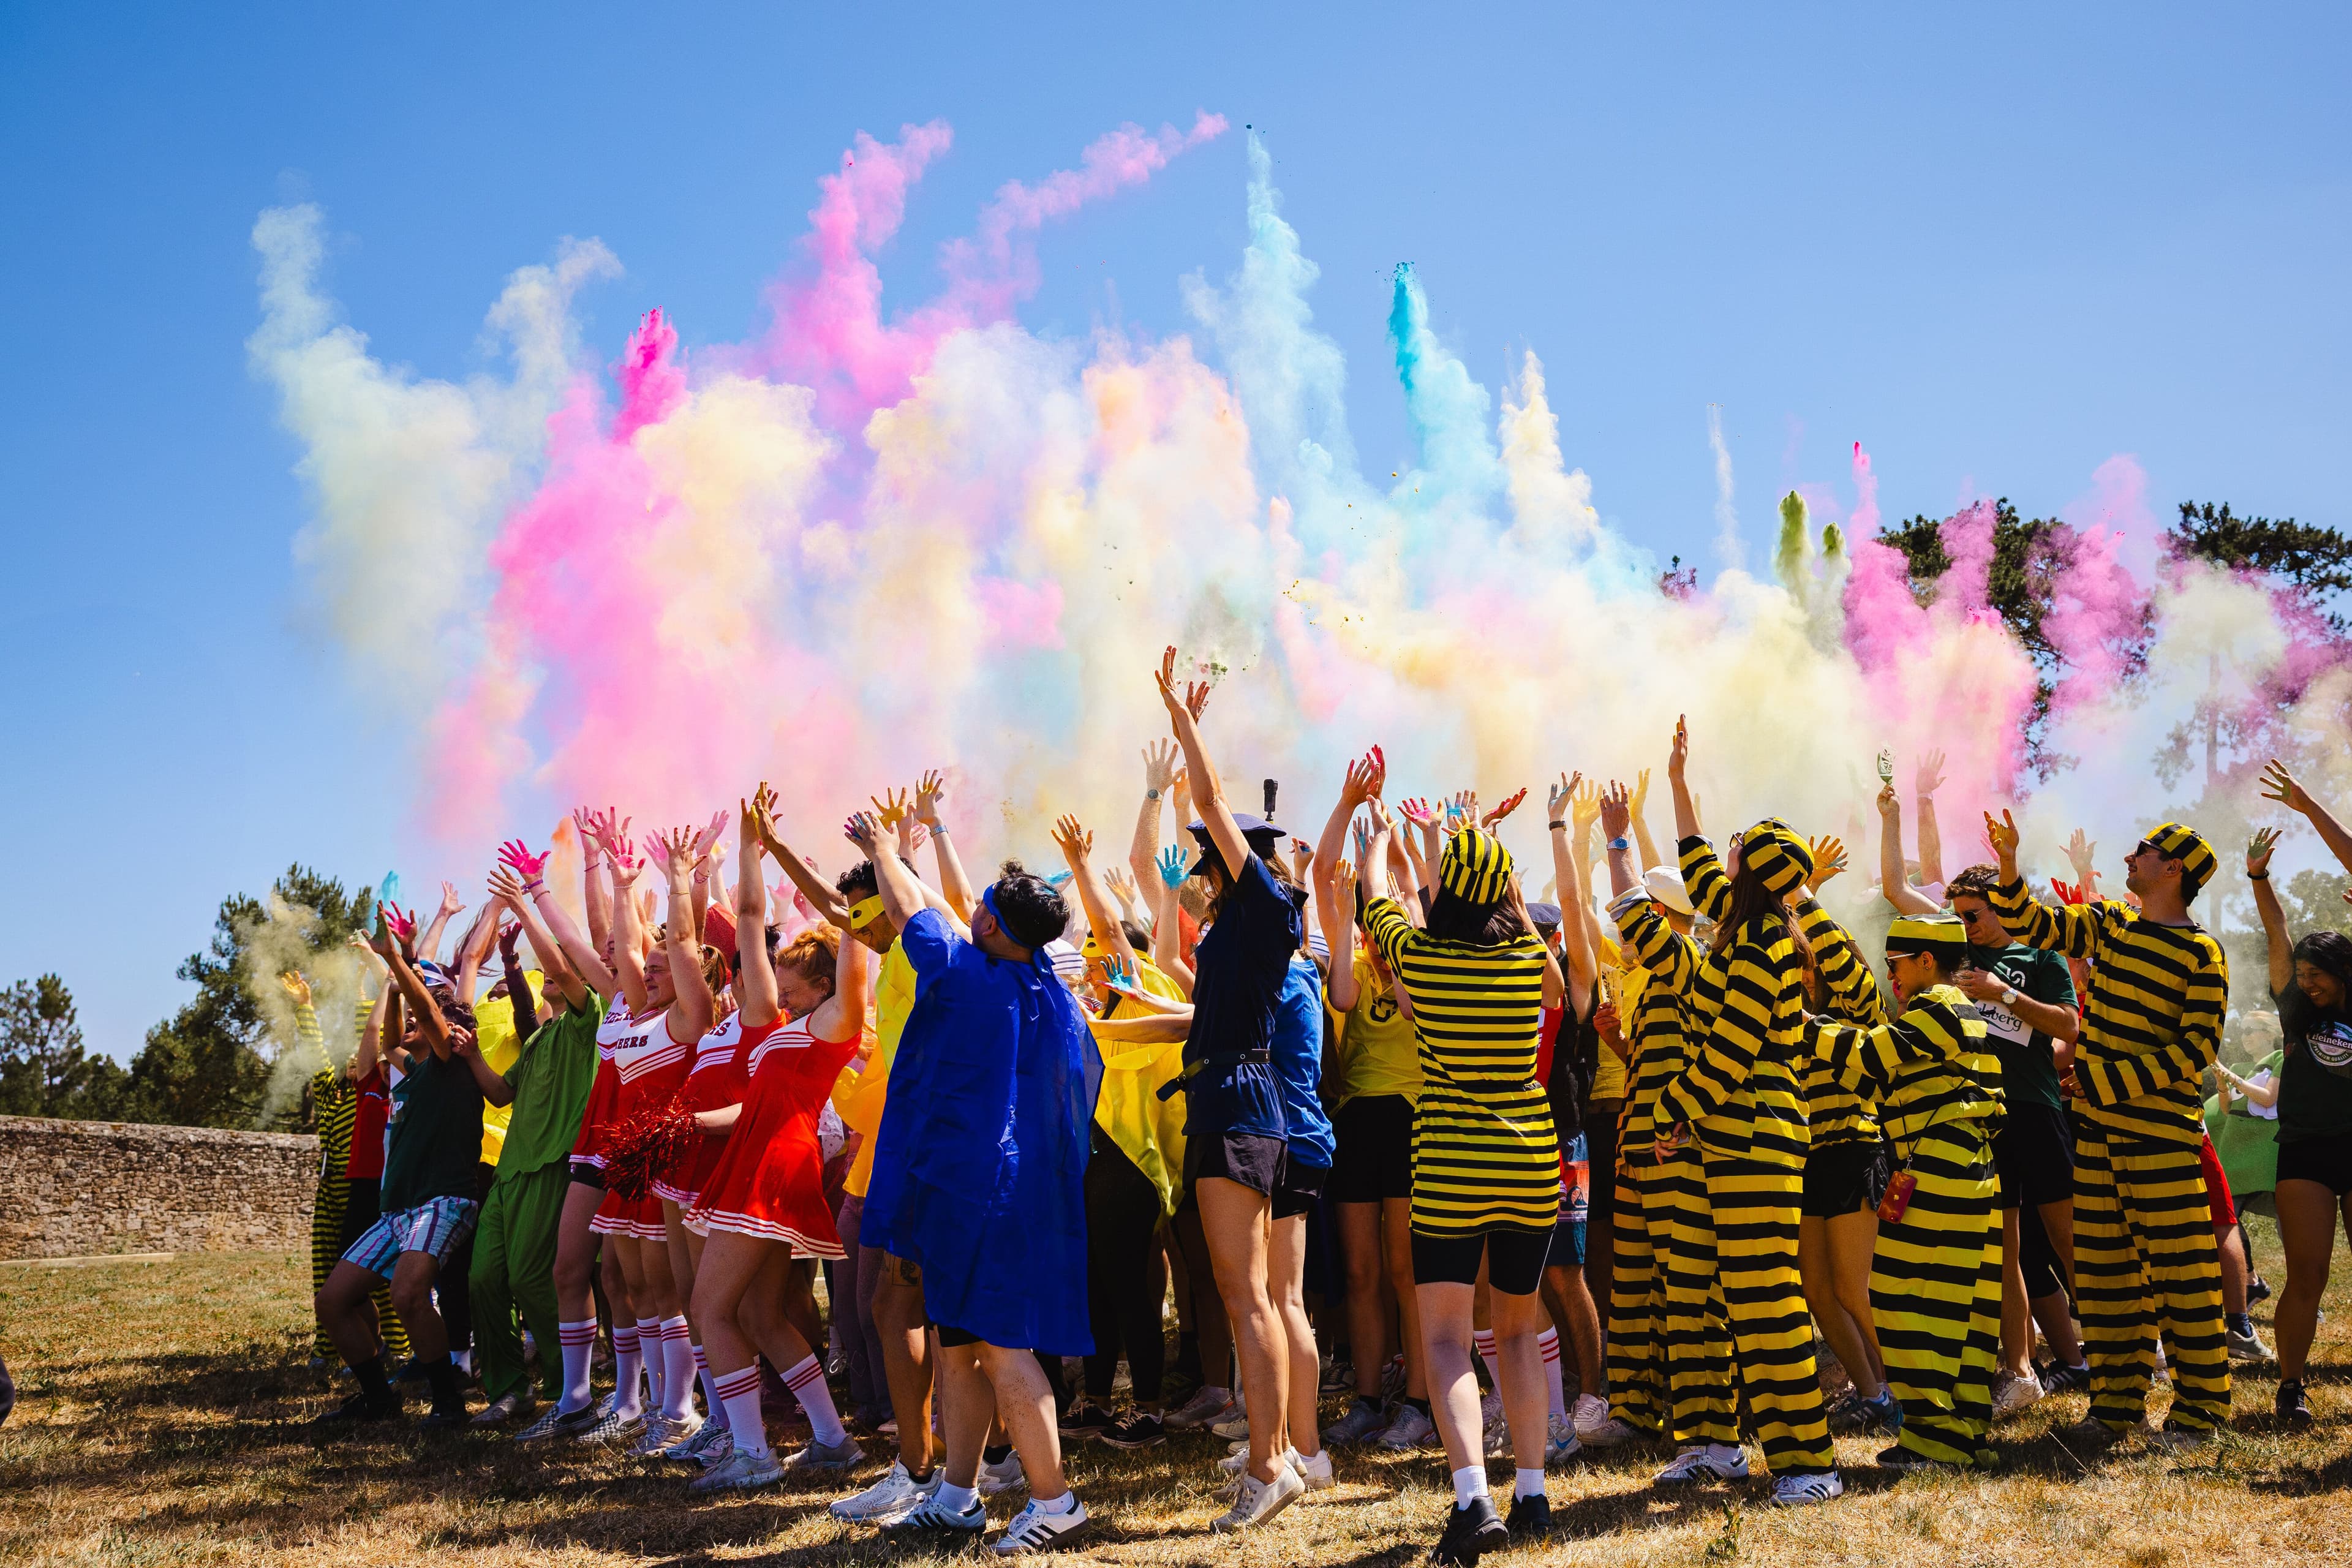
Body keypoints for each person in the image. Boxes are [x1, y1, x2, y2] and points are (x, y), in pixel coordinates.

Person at [854, 820, 1099, 1556]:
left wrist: (881, 851)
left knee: (1000, 1347)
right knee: (956, 1342)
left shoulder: (963, 971)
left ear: (991, 919)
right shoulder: (1037, 980)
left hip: (980, 1193)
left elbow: (907, 910)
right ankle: (958, 1497)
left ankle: (1056, 1501)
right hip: (992, 1189)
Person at [1983, 807, 2231, 1444]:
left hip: (2161, 1140)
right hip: (2096, 1137)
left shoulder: (2202, 953)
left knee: (2183, 1278)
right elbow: (2035, 923)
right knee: (2103, 1276)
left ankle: (2201, 1414)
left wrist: (2105, 1081)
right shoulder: (2114, 922)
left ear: (2174, 868)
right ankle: (2117, 1408)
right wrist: (2009, 863)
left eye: (2144, 850)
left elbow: (2196, 1050)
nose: (2129, 857)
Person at [1359, 797, 1564, 1561]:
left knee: (1445, 1338)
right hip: (1529, 1157)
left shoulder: (1418, 957)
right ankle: (1535, 1494)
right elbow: (1553, 982)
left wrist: (1378, 834)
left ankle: (1474, 1496)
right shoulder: (1524, 960)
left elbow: (1377, 897)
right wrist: (1487, 855)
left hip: (1450, 1161)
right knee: (1516, 1328)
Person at [1649, 721, 1843, 1505]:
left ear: (1754, 871)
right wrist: (1677, 781)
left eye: (1737, 848)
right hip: (1734, 1141)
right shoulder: (1746, 921)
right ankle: (1741, 1452)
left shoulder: (1762, 942)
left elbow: (1729, 1056)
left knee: (1768, 1299)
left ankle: (1811, 1463)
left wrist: (1671, 1109)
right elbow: (1696, 858)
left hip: (1759, 1138)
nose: (1719, 855)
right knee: (1743, 1298)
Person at [1148, 646, 1309, 1532]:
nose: (1208, 861)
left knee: (1246, 1294)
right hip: (1233, 1100)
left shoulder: (1263, 909)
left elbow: (1211, 806)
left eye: (1218, 855)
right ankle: (1273, 1450)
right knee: (1245, 1291)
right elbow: (1200, 816)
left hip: (1242, 1108)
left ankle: (1271, 1460)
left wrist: (1187, 723)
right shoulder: (1241, 923)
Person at [685, 802, 872, 1494]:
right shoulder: (789, 1023)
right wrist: (749, 846)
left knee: (711, 1309)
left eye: (792, 979)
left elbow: (855, 934)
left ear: (822, 983)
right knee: (759, 1312)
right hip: (754, 1159)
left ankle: (752, 1453)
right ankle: (831, 1440)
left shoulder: (836, 1019)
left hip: (777, 1164)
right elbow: (753, 920)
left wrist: (860, 879)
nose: (776, 985)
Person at [1801, 914, 2003, 1469]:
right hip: (1961, 1167)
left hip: (1942, 1168)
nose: (1890, 974)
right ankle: (1962, 1430)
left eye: (1895, 964)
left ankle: (1936, 1437)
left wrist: (1801, 1025)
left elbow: (1869, 1056)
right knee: (1958, 1303)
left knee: (1901, 1298)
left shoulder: (1937, 1004)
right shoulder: (1946, 1007)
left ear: (1925, 961)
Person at [312, 910, 489, 1430]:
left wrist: (396, 959)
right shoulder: (411, 1072)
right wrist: (389, 982)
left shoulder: (448, 1061)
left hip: (446, 1200)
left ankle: (448, 1403)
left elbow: (428, 1021)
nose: (413, 1023)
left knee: (408, 1294)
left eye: (422, 1015)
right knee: (334, 1302)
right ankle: (378, 1399)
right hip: (398, 1210)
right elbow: (389, 1039)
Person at [1311, 783, 1434, 1450]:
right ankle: (1366, 1398)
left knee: (1404, 1269)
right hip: (1358, 1124)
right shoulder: (1352, 962)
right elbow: (1341, 989)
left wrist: (1390, 845)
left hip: (1413, 1121)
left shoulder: (1417, 960)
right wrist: (1345, 887)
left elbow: (1415, 905)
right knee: (1360, 1272)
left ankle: (1417, 1401)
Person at [1943, 862, 2088, 1412]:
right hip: (1981, 1114)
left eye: (1973, 915)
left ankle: (2125, 1350)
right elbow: (1897, 891)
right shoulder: (1955, 960)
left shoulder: (2040, 958)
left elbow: (2068, 1027)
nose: (1966, 927)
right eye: (1958, 917)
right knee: (2006, 1248)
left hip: (2037, 1110)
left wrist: (2003, 993)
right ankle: (2021, 1370)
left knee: (2069, 1239)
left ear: (1999, 907)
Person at [463, 863, 600, 1429]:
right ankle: (510, 1389)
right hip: (509, 1173)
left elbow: (566, 969)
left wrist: (523, 906)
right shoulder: (541, 1035)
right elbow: (500, 1094)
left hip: (552, 1169)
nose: (552, 975)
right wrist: (471, 1053)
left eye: (556, 972)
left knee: (531, 1280)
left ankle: (574, 1390)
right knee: (482, 1281)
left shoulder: (585, 1020)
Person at [2245, 764, 2352, 1428]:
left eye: (2317, 977)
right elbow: (2278, 932)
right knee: (2307, 1271)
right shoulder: (2292, 1010)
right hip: (2307, 1150)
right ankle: (2291, 1386)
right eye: (2302, 977)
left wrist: (2311, 808)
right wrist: (2259, 879)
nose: (2305, 984)